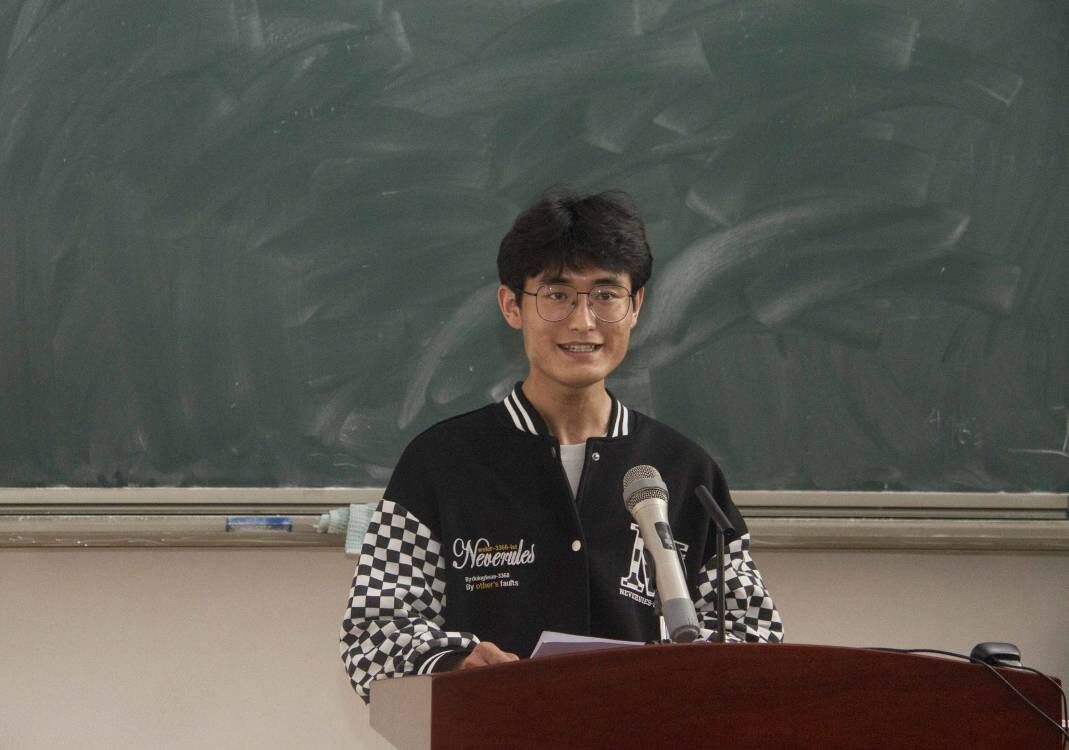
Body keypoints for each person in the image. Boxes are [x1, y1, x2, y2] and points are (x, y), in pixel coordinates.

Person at [340, 189, 783, 700]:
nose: (583, 321)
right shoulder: (441, 463)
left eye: (606, 295)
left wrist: (677, 668)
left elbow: (755, 634)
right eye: (557, 295)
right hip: (494, 730)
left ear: (635, 306)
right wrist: (457, 661)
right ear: (512, 306)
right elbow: (373, 631)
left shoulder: (684, 472)